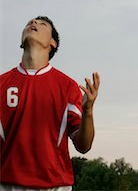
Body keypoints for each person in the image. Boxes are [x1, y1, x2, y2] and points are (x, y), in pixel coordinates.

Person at [0, 16, 100, 190]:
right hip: (7, 184)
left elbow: (83, 146)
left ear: (52, 43)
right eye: (29, 23)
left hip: (55, 186)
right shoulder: (2, 84)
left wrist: (88, 112)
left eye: (42, 24)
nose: (33, 24)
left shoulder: (67, 86)